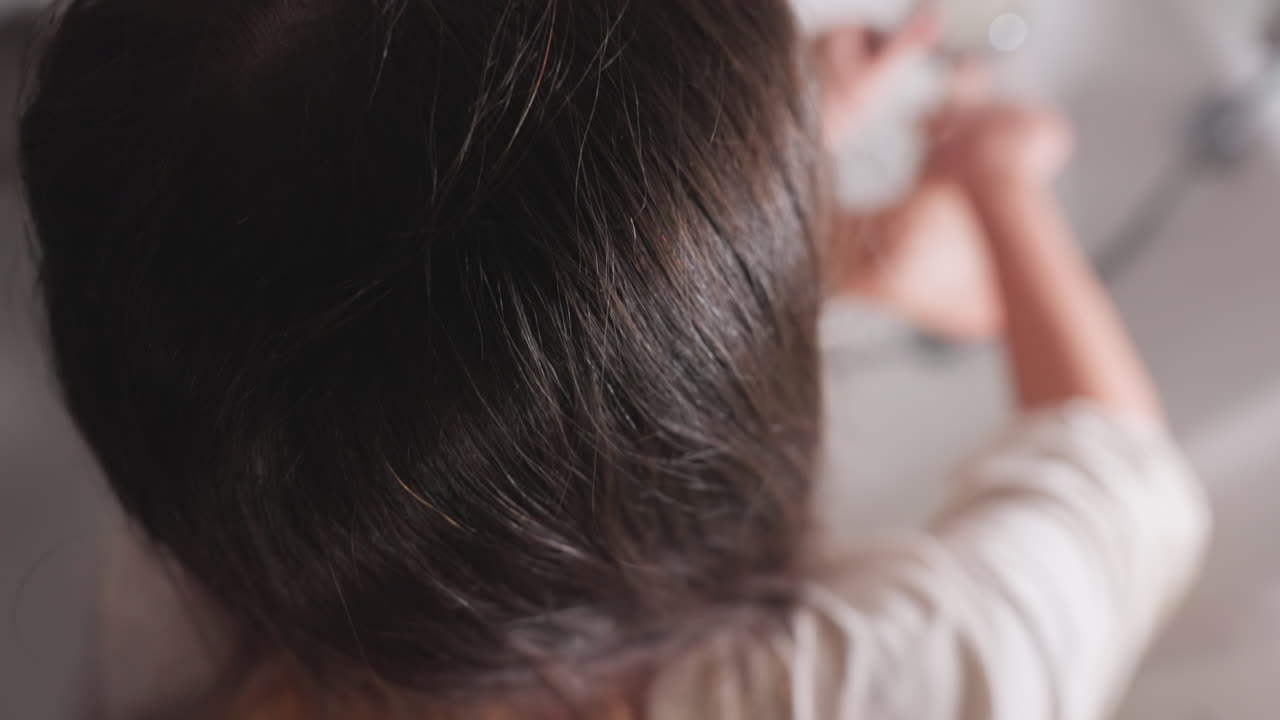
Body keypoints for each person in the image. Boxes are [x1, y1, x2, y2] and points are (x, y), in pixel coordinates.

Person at [19, 0, 1208, 718]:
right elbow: (1120, 480)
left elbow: (460, 361)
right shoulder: (876, 688)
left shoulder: (203, 567)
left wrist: (700, 229)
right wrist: (999, 177)